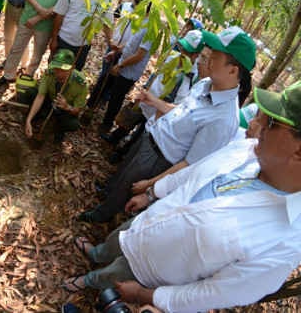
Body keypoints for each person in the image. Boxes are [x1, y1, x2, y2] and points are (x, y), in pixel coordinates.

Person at [63, 81, 301, 313]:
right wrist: (152, 193)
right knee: (114, 244)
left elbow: (217, 292)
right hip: (145, 223)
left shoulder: (284, 244)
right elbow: (194, 173)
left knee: (111, 277)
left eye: (271, 122)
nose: (257, 123)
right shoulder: (245, 149)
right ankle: (96, 254)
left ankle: (87, 281)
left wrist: (144, 295)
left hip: (151, 269)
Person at [78, 26, 256, 223]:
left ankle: (100, 215)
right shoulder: (204, 85)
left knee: (128, 188)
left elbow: (190, 164)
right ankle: (107, 193)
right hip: (151, 138)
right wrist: (154, 101)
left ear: (233, 70)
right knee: (122, 175)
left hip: (160, 159)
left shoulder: (224, 119)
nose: (207, 60)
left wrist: (152, 184)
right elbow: (181, 111)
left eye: (215, 57)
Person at [101, 29, 204, 148]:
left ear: (196, 55)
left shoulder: (189, 74)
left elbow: (179, 101)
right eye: (183, 48)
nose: (183, 52)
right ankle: (114, 138)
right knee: (131, 120)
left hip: (159, 107)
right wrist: (146, 88)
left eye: (187, 51)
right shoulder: (172, 57)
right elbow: (156, 74)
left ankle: (122, 151)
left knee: (141, 132)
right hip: (148, 96)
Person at [97, 0, 153, 135]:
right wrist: (116, 52)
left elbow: (139, 55)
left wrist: (120, 65)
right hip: (122, 61)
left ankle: (106, 124)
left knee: (116, 97)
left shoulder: (150, 28)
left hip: (129, 71)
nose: (133, 7)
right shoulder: (138, 21)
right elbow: (130, 45)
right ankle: (96, 112)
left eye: (136, 5)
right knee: (104, 83)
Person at [50, 0, 113, 71]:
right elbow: (59, 15)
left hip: (83, 45)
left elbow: (107, 23)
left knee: (73, 74)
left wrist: (111, 43)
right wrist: (54, 39)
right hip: (64, 40)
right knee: (56, 71)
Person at [24, 49, 88, 143]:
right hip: (49, 100)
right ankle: (38, 117)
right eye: (57, 69)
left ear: (72, 68)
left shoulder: (80, 83)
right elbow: (40, 96)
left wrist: (67, 107)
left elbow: (77, 110)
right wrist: (28, 120)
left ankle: (58, 130)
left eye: (63, 70)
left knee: (73, 124)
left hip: (65, 110)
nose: (58, 73)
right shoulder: (50, 73)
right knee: (31, 92)